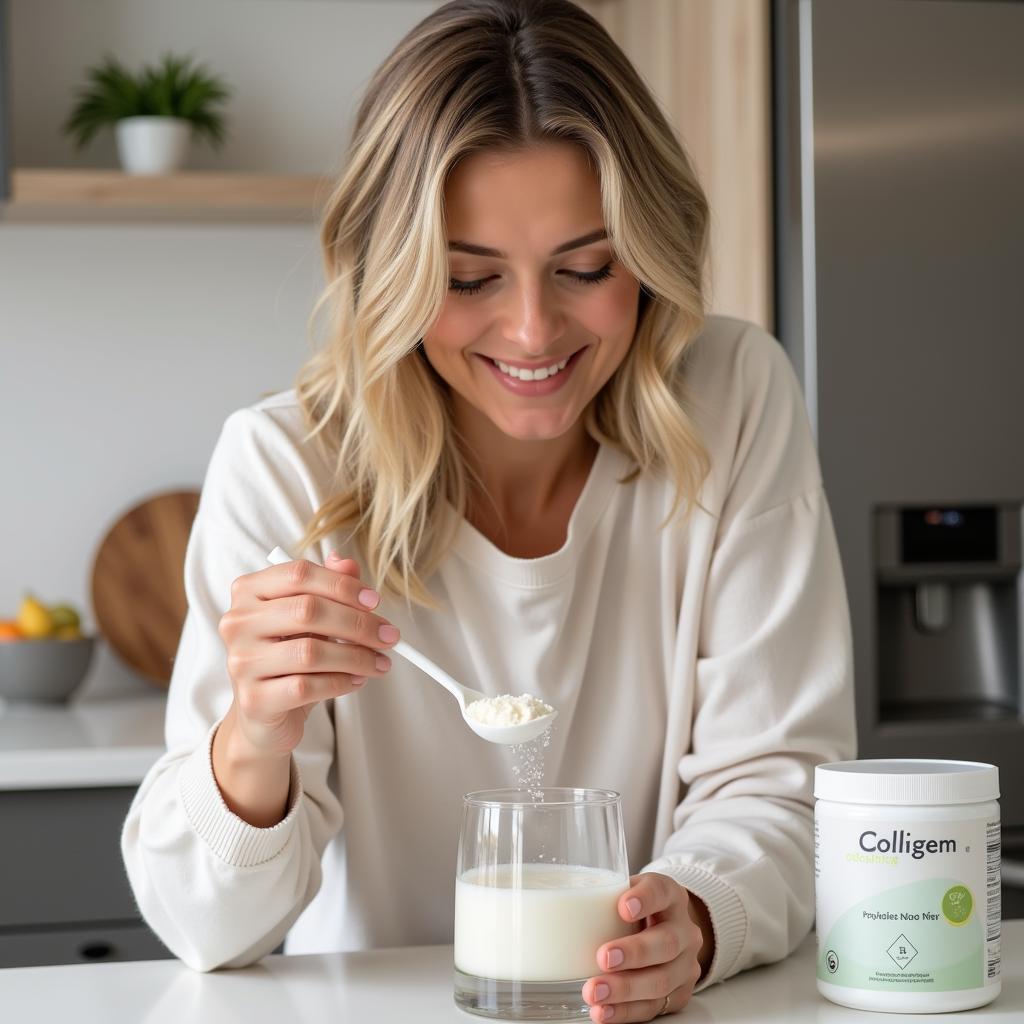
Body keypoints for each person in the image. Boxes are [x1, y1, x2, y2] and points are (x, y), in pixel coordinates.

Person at [121, 1, 856, 1020]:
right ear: (393, 271)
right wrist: (253, 735)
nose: (529, 328)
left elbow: (779, 784)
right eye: (468, 278)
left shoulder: (730, 398)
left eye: (586, 268)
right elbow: (201, 927)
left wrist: (692, 914)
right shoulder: (287, 463)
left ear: (647, 250)